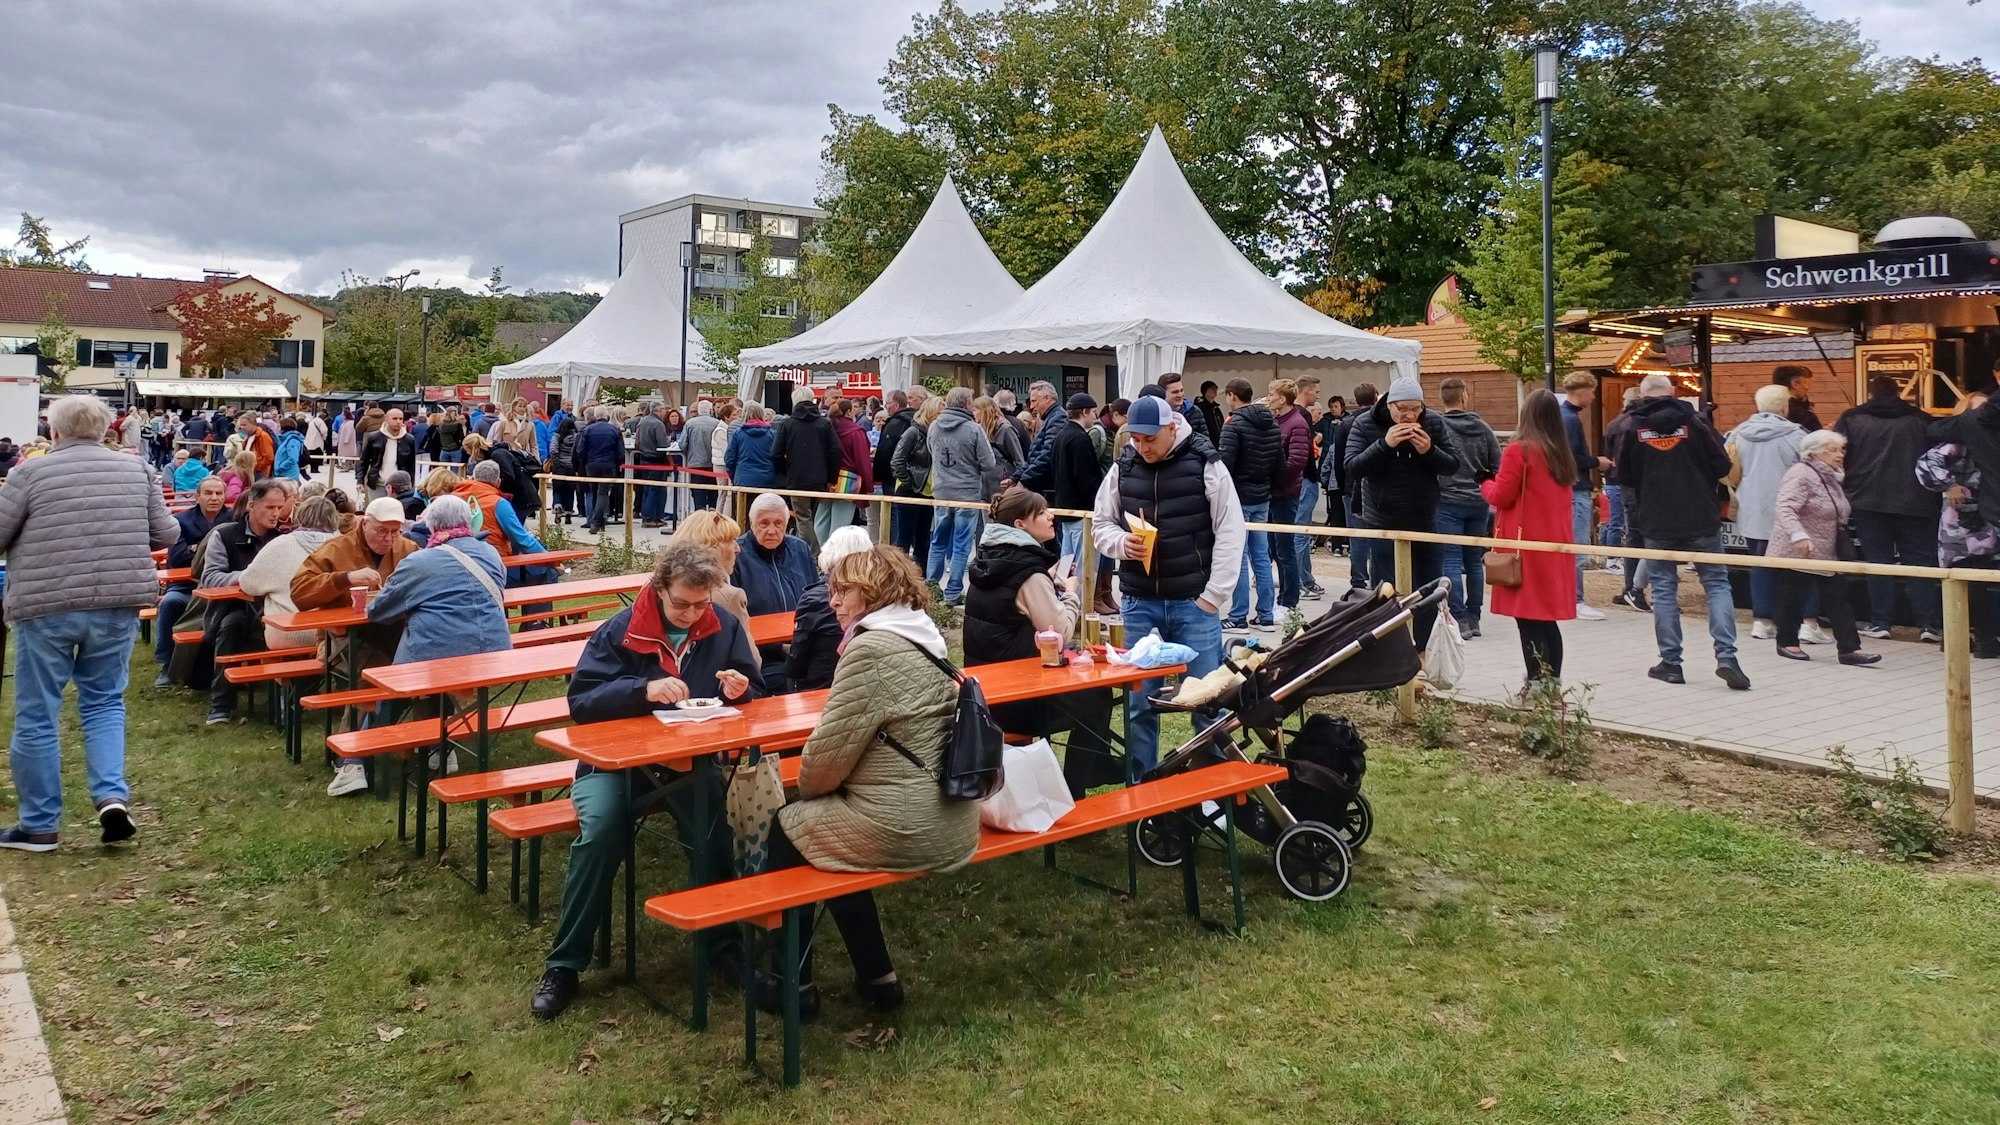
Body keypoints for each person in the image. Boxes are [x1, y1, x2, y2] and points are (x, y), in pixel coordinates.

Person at [529, 540, 766, 1020]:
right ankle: (565, 964)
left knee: (712, 828)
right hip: (613, 764)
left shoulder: (719, 627)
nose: (692, 613)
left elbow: (754, 688)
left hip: (686, 761)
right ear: (659, 589)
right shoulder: (621, 630)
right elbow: (582, 703)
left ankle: (722, 944)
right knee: (600, 831)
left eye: (701, 604)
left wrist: (742, 689)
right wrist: (643, 689)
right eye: (682, 603)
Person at [756, 545, 976, 1022]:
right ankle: (878, 977)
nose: (833, 601)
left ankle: (790, 985)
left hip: (908, 825)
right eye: (832, 590)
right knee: (829, 836)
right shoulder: (924, 635)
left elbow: (827, 755)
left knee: (789, 827)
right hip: (954, 815)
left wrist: (806, 791)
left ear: (874, 593)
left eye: (844, 591)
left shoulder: (871, 647)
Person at [0, 397, 178, 851]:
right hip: (116, 601)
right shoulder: (138, 470)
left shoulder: (27, 473)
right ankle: (111, 796)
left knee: (38, 711)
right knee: (104, 703)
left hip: (47, 604)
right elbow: (167, 534)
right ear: (105, 431)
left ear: (54, 431)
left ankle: (40, 824)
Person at [1091, 395, 1245, 771]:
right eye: (1136, 440)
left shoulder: (1207, 465)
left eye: (1150, 440)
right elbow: (1101, 524)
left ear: (1172, 429)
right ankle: (1142, 787)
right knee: (1139, 706)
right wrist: (1120, 544)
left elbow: (1230, 530)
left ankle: (1208, 793)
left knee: (1207, 702)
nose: (1142, 448)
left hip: (1194, 602)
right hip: (1139, 601)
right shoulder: (1123, 466)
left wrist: (1213, 597)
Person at [966, 488, 1118, 797]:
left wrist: (1048, 583)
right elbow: (1058, 634)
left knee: (1093, 698)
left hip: (985, 696)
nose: (1052, 516)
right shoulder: (1027, 573)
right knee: (1099, 698)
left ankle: (1093, 768)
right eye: (1043, 512)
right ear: (1020, 525)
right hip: (1022, 700)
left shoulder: (990, 561)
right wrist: (1072, 594)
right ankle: (1077, 787)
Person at [1617, 374, 1750, 690]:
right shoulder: (1696, 422)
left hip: (1657, 520)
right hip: (1701, 517)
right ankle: (1727, 658)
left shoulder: (1632, 427)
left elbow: (1624, 476)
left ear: (1642, 395)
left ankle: (1671, 663)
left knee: (1664, 589)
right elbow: (1721, 467)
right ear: (1673, 392)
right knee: (1717, 584)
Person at [1342, 376, 1459, 648]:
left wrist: (1429, 450)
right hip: (1383, 521)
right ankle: (1390, 652)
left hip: (1425, 519)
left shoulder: (1434, 422)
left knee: (1427, 591)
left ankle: (1421, 651)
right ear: (1389, 404)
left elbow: (1452, 465)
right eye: (1403, 408)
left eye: (1416, 408)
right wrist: (1385, 445)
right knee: (1387, 590)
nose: (1410, 415)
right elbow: (1352, 468)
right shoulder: (1365, 423)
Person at [1481, 389, 1578, 689]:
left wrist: (1484, 482)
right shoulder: (1560, 452)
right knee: (1547, 620)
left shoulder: (1519, 450)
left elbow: (1502, 495)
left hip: (1525, 548)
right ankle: (1552, 683)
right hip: (1555, 546)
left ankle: (1536, 684)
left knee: (1527, 619)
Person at [1836, 375, 1943, 642]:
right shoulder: (1921, 419)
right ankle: (1928, 625)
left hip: (1868, 501)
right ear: (1898, 393)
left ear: (1871, 393)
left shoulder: (1852, 418)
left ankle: (1881, 622)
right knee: (1920, 565)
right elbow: (1936, 458)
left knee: (1878, 563)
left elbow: (1837, 454)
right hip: (1916, 502)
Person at [1765, 430, 1879, 666]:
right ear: (1813, 452)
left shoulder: (1831, 476)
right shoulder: (1801, 473)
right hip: (1797, 547)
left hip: (1826, 548)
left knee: (1838, 597)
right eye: (1833, 450)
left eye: (1841, 450)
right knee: (1791, 596)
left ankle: (1849, 649)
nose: (1840, 455)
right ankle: (1787, 642)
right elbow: (1785, 507)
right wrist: (1798, 534)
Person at [365, 495, 510, 667]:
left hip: (435, 656)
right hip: (496, 649)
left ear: (431, 525)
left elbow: (378, 611)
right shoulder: (491, 553)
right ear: (468, 521)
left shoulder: (418, 562)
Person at [200, 480, 291, 725]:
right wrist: (250, 577)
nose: (276, 513)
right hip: (232, 607)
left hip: (274, 609)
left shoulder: (283, 538)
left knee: (292, 630)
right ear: (252, 505)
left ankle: (286, 704)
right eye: (270, 507)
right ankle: (221, 705)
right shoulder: (225, 535)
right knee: (232, 626)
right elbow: (209, 578)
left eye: (280, 507)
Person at [1917, 390, 2000, 657]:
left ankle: (1984, 641)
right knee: (1963, 582)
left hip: (1989, 521)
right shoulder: (1955, 444)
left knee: (1979, 584)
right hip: (1961, 525)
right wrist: (1949, 485)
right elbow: (1926, 464)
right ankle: (1960, 639)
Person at [1727, 385, 1812, 641]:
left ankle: (1761, 621)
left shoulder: (1736, 435)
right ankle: (1807, 622)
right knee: (1801, 568)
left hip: (1752, 509)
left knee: (1760, 564)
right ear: (1785, 406)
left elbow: (1729, 471)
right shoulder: (1798, 436)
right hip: (1791, 511)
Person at [1435, 378, 1501, 638]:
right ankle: (1474, 617)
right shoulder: (1482, 427)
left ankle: (1459, 617)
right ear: (1464, 397)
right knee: (1474, 561)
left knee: (1450, 558)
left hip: (1447, 499)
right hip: (1477, 501)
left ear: (1443, 399)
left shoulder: (1438, 427)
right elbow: (1496, 463)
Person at [1216, 377, 1281, 631]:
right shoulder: (1273, 425)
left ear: (1232, 396)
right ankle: (1266, 615)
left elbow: (1224, 466)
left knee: (1239, 557)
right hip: (1262, 496)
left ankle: (1238, 616)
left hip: (1238, 498)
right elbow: (1280, 464)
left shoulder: (1233, 425)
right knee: (1262, 557)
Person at [734, 493, 818, 690]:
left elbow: (816, 601)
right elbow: (734, 622)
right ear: (751, 523)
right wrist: (779, 649)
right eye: (764, 523)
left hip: (803, 649)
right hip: (760, 656)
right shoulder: (737, 555)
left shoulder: (800, 550)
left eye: (778, 523)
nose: (771, 530)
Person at [239, 497, 343, 651]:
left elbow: (248, 584)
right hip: (335, 637)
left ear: (300, 516)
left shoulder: (281, 544)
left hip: (287, 634)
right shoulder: (345, 545)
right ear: (334, 518)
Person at [153, 476, 230, 677]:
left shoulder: (233, 519)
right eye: (208, 493)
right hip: (184, 585)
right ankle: (167, 663)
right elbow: (178, 558)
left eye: (219, 493)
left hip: (222, 587)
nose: (214, 498)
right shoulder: (181, 521)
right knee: (169, 602)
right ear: (197, 497)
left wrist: (195, 548)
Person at [926, 387, 996, 606]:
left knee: (938, 541)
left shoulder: (934, 426)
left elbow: (932, 452)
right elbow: (989, 463)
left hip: (941, 492)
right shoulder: (973, 429)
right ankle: (953, 591)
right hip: (967, 493)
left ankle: (931, 589)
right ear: (967, 404)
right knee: (961, 543)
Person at [787, 526, 875, 692]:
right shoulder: (881, 595)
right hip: (864, 687)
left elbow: (798, 659)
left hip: (821, 687)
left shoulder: (813, 600)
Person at [1559, 373, 1612, 621]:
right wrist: (1596, 462)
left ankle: (1568, 598)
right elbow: (1571, 457)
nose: (1593, 396)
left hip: (1569, 488)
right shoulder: (1570, 420)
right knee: (1577, 548)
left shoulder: (1563, 416)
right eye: (1592, 391)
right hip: (1576, 488)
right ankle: (1575, 600)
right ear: (1582, 392)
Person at [1267, 379, 1316, 612]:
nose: (1268, 398)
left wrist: (1276, 479)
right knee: (1275, 549)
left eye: (1271, 394)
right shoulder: (1277, 421)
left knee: (1285, 549)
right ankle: (1284, 597)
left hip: (1286, 493)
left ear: (1282, 399)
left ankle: (1289, 600)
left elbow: (1297, 461)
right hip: (1273, 493)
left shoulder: (1296, 423)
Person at [1603, 387, 1651, 613]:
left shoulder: (1614, 424)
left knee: (1630, 535)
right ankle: (1636, 589)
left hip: (1618, 483)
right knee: (1647, 537)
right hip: (1637, 486)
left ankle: (1629, 586)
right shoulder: (1640, 424)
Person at [771, 395, 839, 553]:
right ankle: (817, 552)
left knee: (803, 518)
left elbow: (775, 453)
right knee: (816, 518)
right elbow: (836, 450)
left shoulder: (787, 424)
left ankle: (811, 553)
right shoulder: (824, 424)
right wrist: (831, 477)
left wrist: (784, 473)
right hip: (820, 479)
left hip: (796, 478)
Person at [672, 509, 753, 628]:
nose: (738, 549)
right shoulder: (729, 597)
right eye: (731, 541)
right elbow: (744, 645)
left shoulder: (655, 587)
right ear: (713, 549)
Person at [1049, 393, 1104, 567]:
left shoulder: (1061, 436)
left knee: (1067, 565)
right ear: (1085, 411)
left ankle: (1067, 594)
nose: (1095, 417)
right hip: (1082, 512)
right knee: (1084, 567)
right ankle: (1079, 596)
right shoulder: (1080, 438)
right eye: (1093, 412)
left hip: (1065, 509)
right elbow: (1086, 478)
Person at [889, 395, 942, 571]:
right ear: (930, 413)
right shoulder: (913, 432)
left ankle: (920, 579)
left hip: (929, 492)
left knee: (923, 539)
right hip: (910, 491)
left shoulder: (937, 433)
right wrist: (909, 481)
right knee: (904, 538)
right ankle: (899, 577)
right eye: (939, 413)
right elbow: (897, 461)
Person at [1333, 383, 1378, 586]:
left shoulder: (1346, 424)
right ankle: (1380, 580)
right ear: (1376, 397)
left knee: (1357, 537)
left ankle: (1358, 580)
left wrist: (1344, 485)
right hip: (1378, 485)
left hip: (1352, 485)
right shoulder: (1381, 420)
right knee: (1378, 537)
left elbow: (1339, 458)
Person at [1290, 375, 1330, 595]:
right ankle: (1301, 581)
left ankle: (1305, 577)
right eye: (1315, 391)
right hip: (1305, 478)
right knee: (1301, 531)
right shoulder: (1301, 415)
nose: (1317, 395)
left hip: (1298, 480)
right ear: (1305, 391)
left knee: (1299, 531)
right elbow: (1303, 453)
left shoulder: (1289, 414)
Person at [826, 397, 874, 541]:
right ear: (849, 412)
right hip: (848, 481)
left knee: (821, 521)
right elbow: (862, 461)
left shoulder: (827, 428)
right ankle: (833, 556)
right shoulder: (856, 432)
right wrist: (868, 486)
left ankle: (820, 552)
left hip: (827, 480)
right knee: (840, 525)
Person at [874, 390, 916, 547]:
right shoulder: (916, 421)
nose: (886, 407)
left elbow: (885, 452)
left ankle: (892, 551)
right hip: (914, 476)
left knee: (893, 515)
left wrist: (877, 474)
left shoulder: (895, 424)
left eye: (888, 403)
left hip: (893, 476)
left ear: (896, 405)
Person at [1013, 380, 1066, 501]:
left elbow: (1048, 453)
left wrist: (1024, 480)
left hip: (1048, 488)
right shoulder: (1052, 418)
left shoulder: (1058, 418)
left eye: (1034, 401)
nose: (1031, 407)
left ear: (1047, 398)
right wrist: (1015, 478)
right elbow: (1036, 455)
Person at [576, 407, 626, 533]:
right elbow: (621, 452)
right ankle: (597, 521)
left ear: (595, 416)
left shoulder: (587, 430)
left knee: (593, 492)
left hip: (592, 465)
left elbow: (580, 449)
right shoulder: (615, 430)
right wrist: (617, 464)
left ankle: (596, 521)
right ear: (607, 415)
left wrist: (586, 462)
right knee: (603, 493)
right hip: (608, 465)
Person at [972, 394, 1025, 502]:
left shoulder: (1005, 430)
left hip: (1003, 487)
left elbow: (1019, 461)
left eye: (974, 410)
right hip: (984, 489)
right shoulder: (979, 430)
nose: (973, 414)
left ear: (984, 410)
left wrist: (1013, 480)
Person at [359, 408, 417, 500]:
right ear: (386, 419)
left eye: (400, 419)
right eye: (394, 418)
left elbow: (411, 464)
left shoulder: (409, 439)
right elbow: (364, 460)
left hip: (399, 487)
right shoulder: (374, 437)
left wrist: (411, 483)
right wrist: (360, 480)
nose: (398, 422)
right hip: (377, 484)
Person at [632, 402, 672, 528]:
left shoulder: (643, 422)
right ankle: (651, 517)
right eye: (664, 409)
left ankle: (648, 516)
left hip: (644, 459)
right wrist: (669, 441)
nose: (665, 412)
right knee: (656, 489)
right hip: (656, 460)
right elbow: (663, 445)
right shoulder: (658, 424)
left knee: (647, 490)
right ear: (659, 410)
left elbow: (637, 441)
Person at [682, 399, 723, 512]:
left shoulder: (689, 423)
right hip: (712, 463)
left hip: (695, 463)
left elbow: (682, 444)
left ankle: (698, 517)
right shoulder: (716, 423)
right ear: (711, 410)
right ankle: (712, 517)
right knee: (713, 494)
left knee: (698, 493)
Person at [1773, 365, 1823, 432]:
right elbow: (1818, 439)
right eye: (1805, 383)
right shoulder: (1805, 417)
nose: (1807, 388)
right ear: (1795, 384)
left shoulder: (1761, 416)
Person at [235, 412, 275, 478]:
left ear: (253, 424)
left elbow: (269, 457)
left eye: (245, 425)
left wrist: (256, 467)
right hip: (251, 471)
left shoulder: (263, 436)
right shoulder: (249, 436)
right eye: (241, 425)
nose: (242, 427)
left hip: (259, 473)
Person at [1194, 380, 1225, 445]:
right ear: (1205, 390)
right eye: (1212, 388)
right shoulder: (1199, 408)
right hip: (1207, 443)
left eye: (1216, 388)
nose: (1215, 390)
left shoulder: (1216, 409)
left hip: (1219, 443)